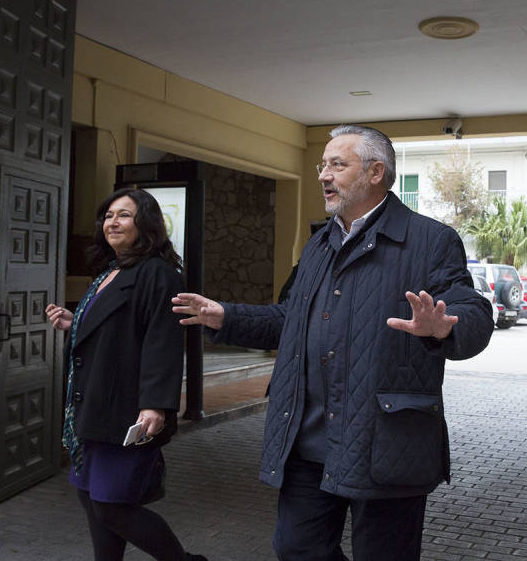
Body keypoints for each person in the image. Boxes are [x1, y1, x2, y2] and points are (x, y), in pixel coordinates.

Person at [172, 125, 493, 560]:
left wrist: (445, 327)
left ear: (376, 172)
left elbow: (472, 310)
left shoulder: (431, 240)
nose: (323, 175)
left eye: (337, 165)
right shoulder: (319, 245)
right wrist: (227, 317)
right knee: (296, 548)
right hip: (308, 439)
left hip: (386, 445)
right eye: (322, 165)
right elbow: (290, 320)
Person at [46, 188, 206, 561]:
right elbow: (116, 328)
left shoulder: (158, 273)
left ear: (145, 223)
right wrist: (77, 323)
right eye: (107, 216)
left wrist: (155, 405)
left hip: (127, 411)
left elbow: (161, 340)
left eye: (123, 215)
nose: (111, 223)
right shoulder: (112, 270)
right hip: (94, 407)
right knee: (91, 498)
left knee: (112, 506)